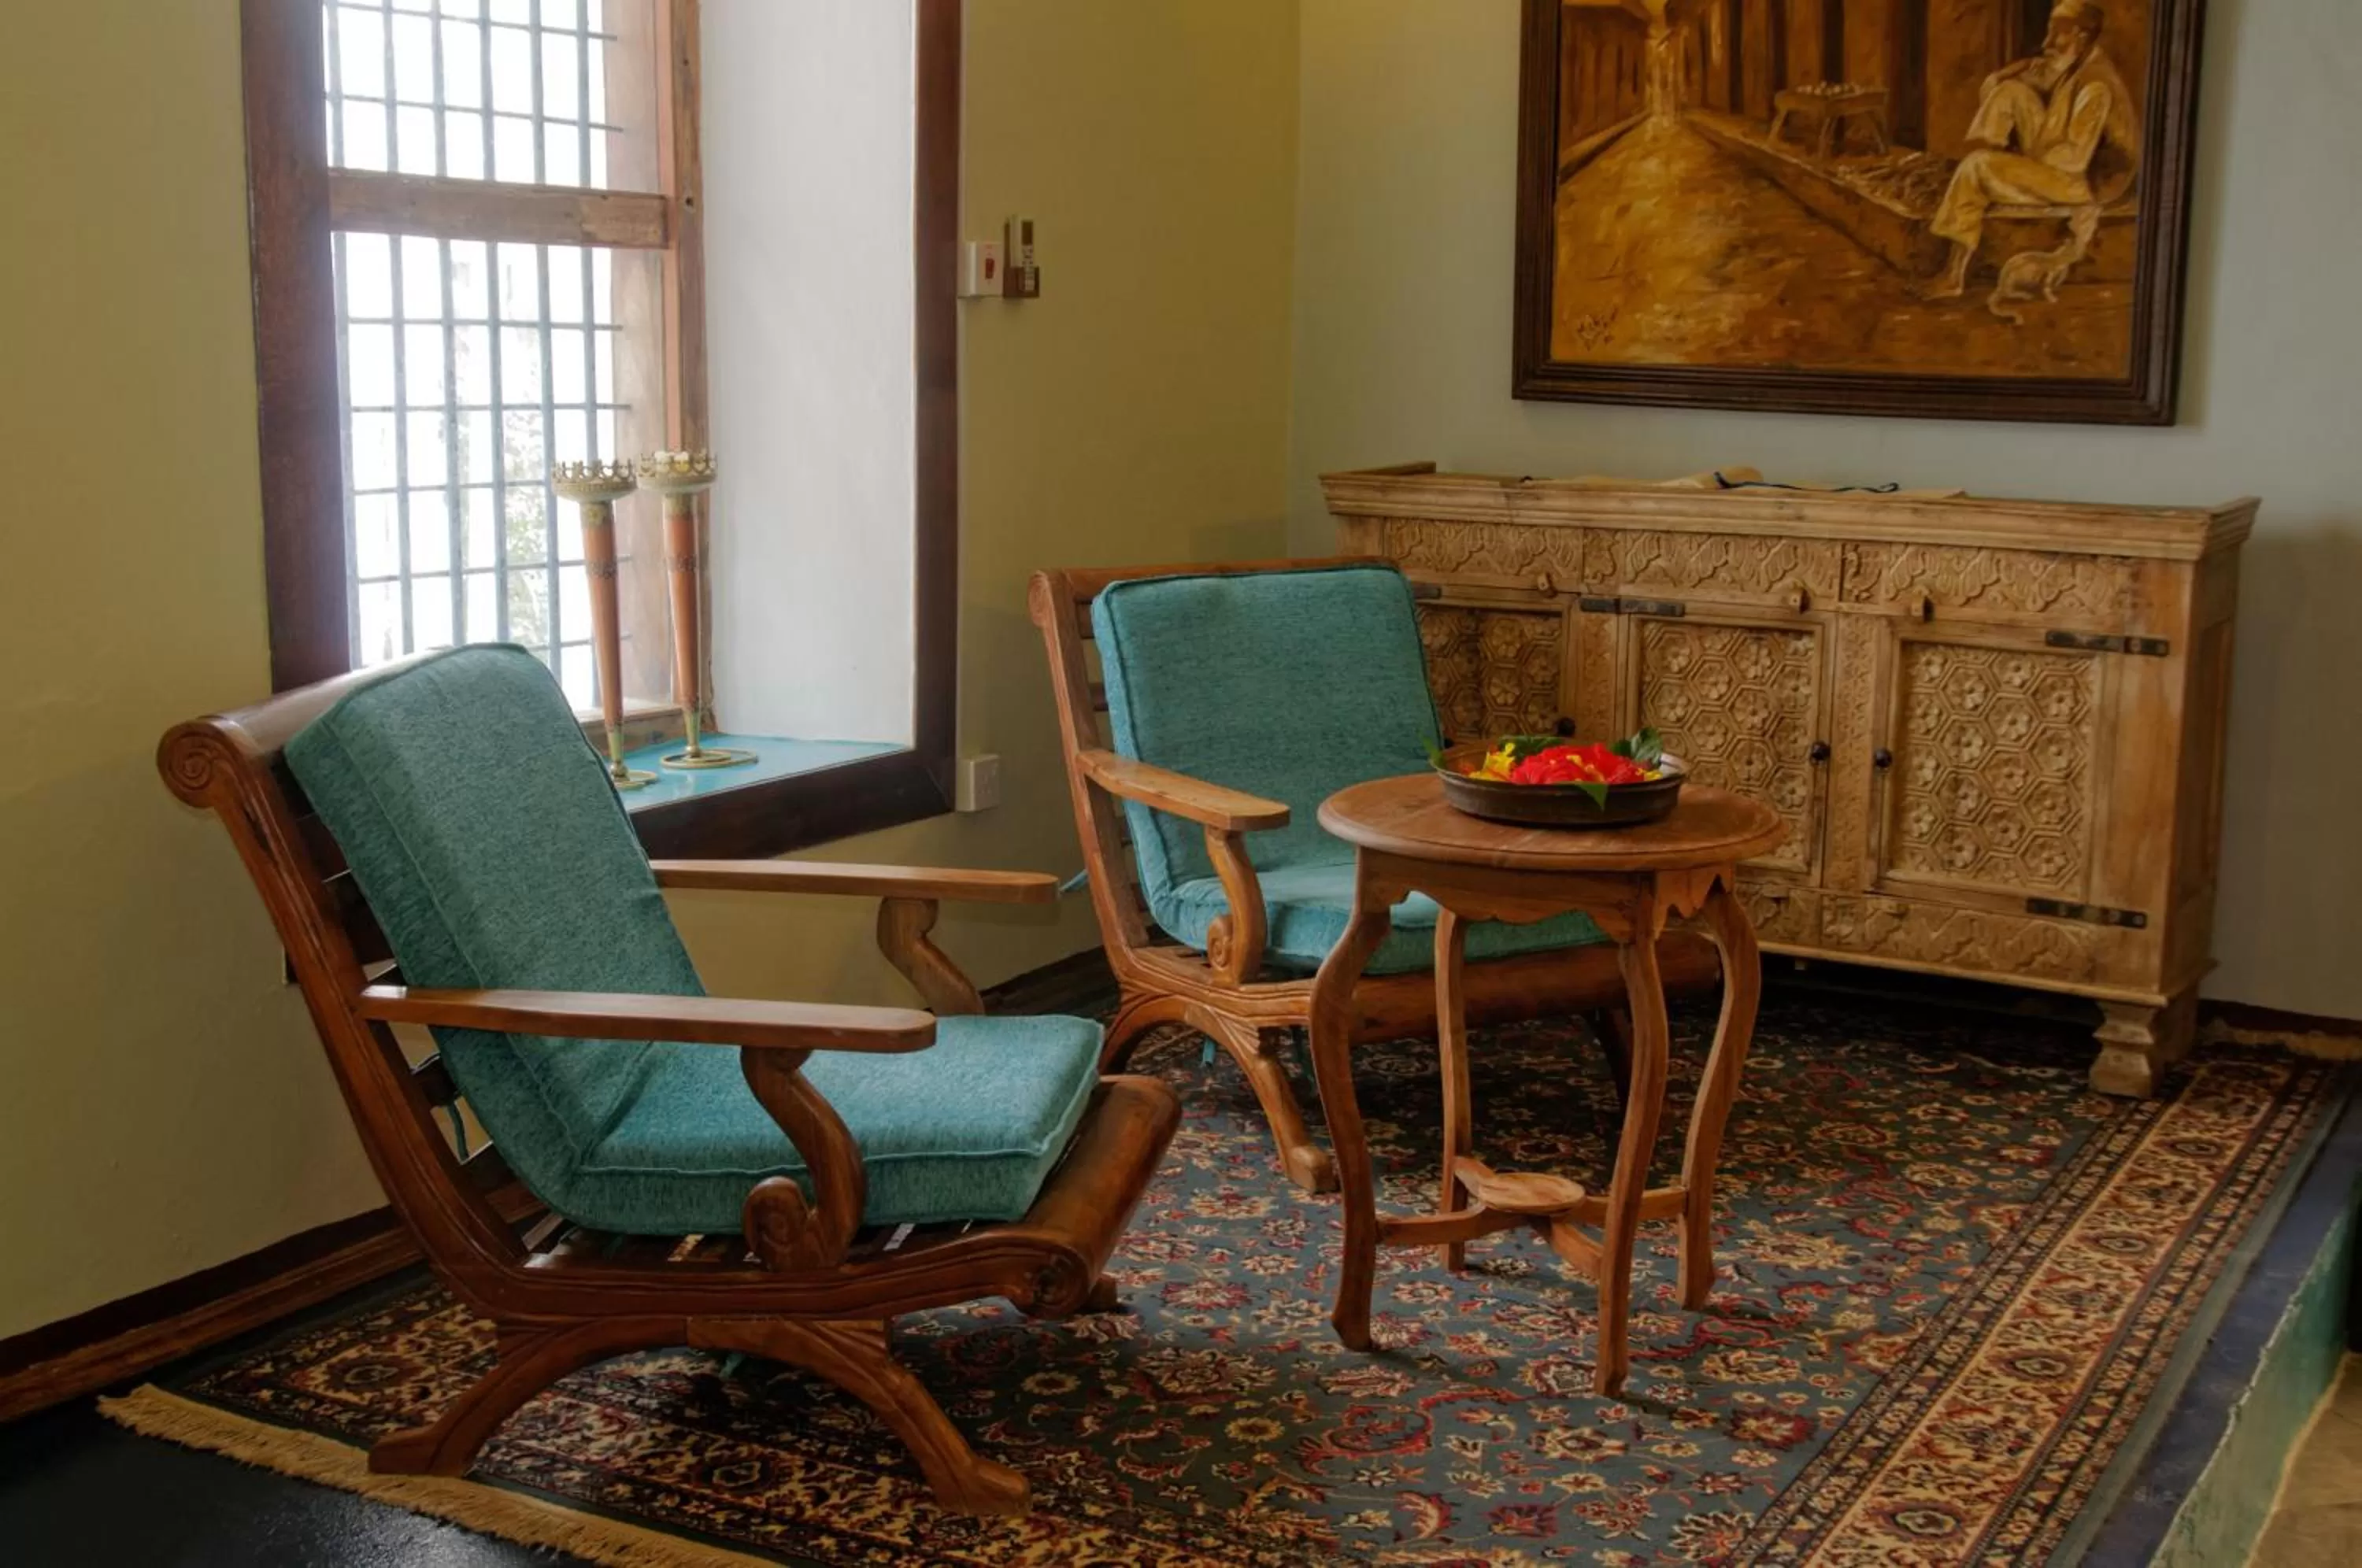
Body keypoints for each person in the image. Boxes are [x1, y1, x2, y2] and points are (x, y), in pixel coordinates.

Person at [1921, 1, 2140, 300]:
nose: (2046, 43)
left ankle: (1952, 276)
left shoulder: (2096, 86)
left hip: (2087, 182)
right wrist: (2004, 75)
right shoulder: (2076, 60)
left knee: (1977, 166)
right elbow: (2027, 74)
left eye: (2056, 34)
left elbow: (2074, 160)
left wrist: (2017, 165)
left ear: (2080, 36)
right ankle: (1983, 169)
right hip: (2061, 155)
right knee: (2010, 91)